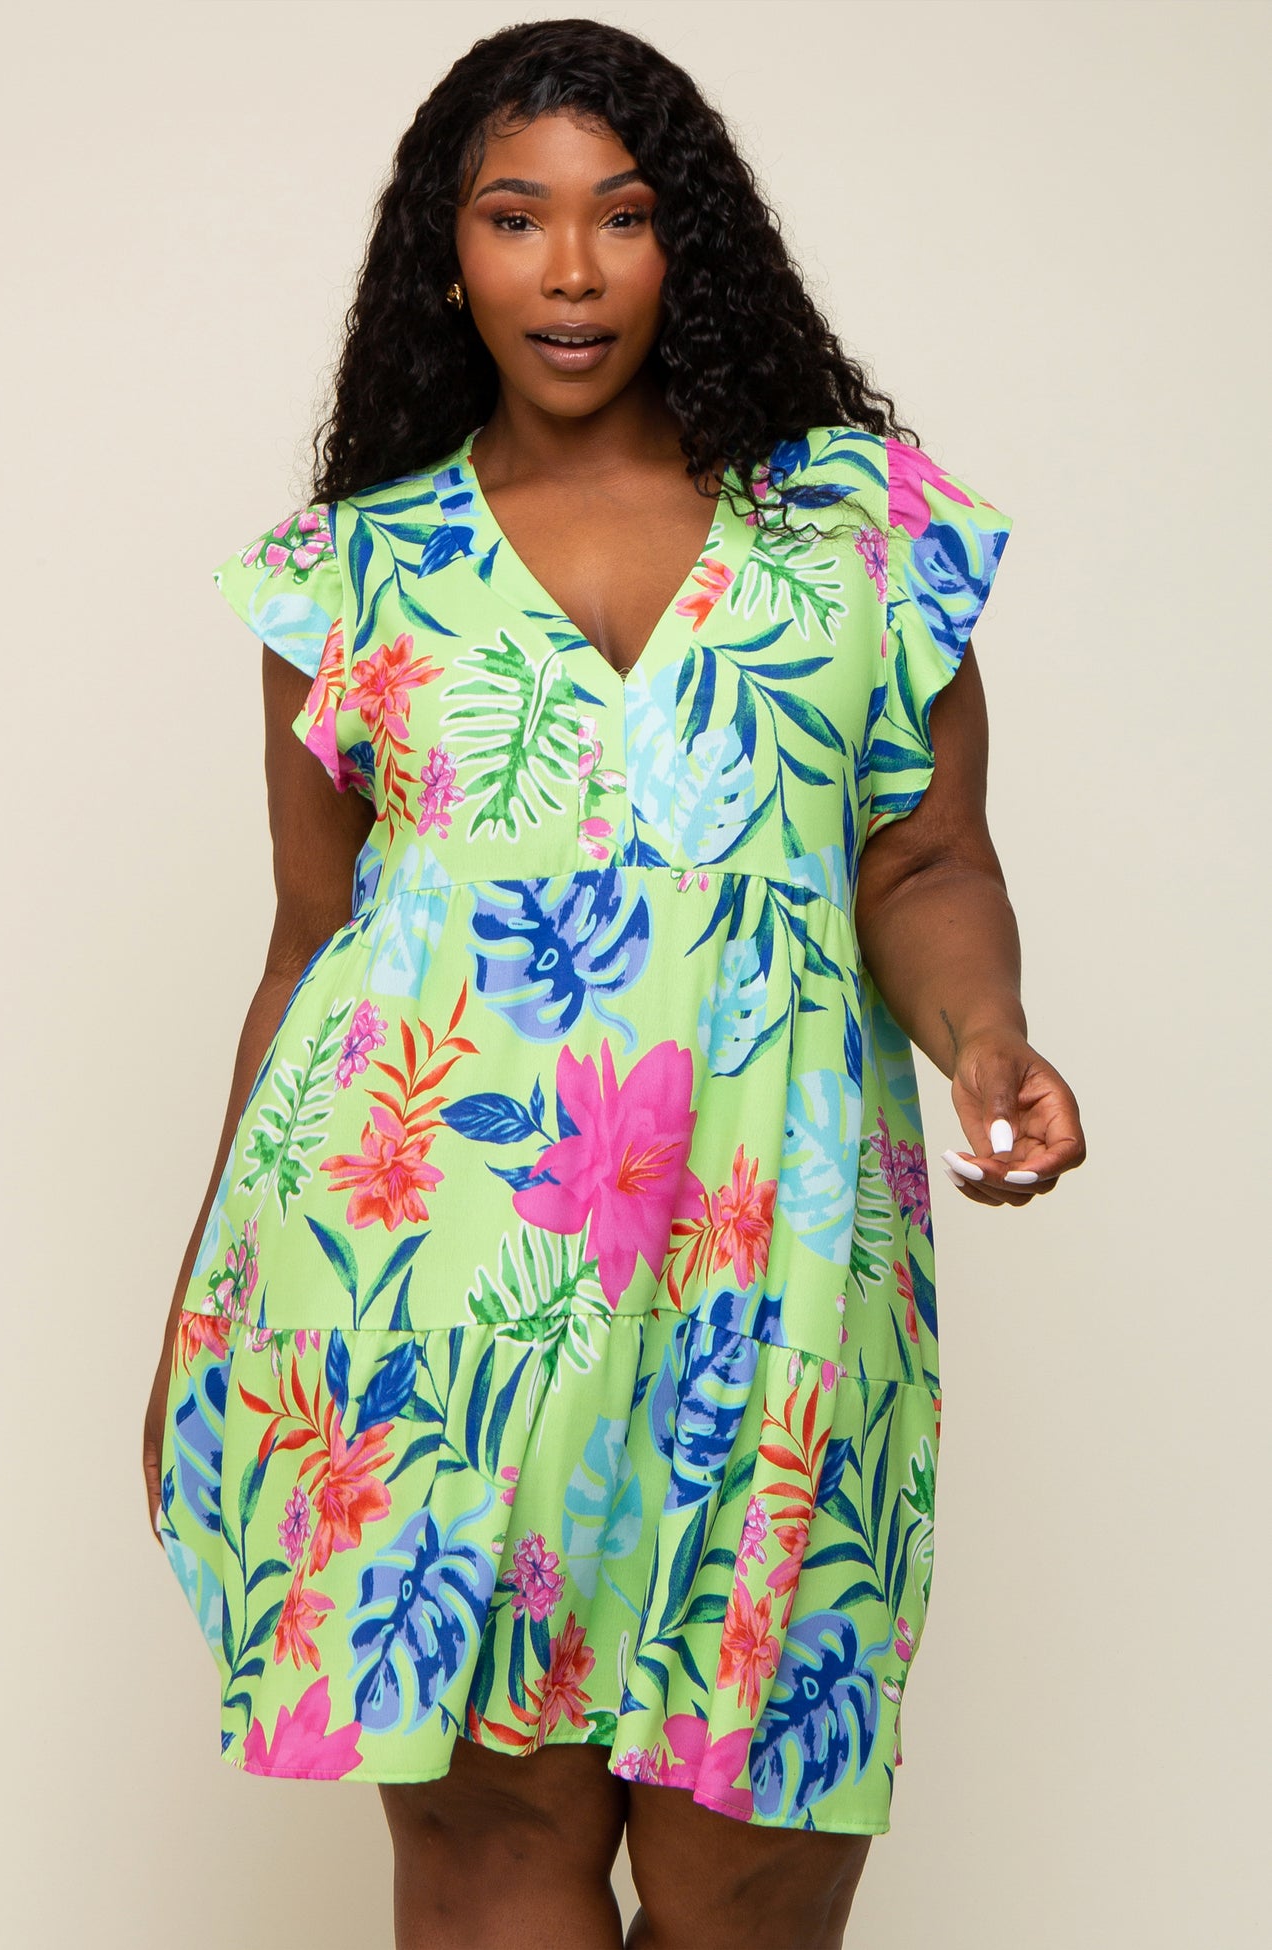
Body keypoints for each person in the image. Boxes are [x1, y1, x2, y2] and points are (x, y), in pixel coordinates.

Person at [143, 17, 1085, 1948]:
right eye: (515, 218)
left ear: (688, 244)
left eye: (623, 216)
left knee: (760, 1871)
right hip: (420, 1282)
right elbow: (312, 945)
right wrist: (196, 1300)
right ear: (447, 253)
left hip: (778, 1266)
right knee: (488, 1853)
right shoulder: (346, 577)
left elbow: (923, 858)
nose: (569, 271)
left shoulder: (859, 530)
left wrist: (987, 1036)